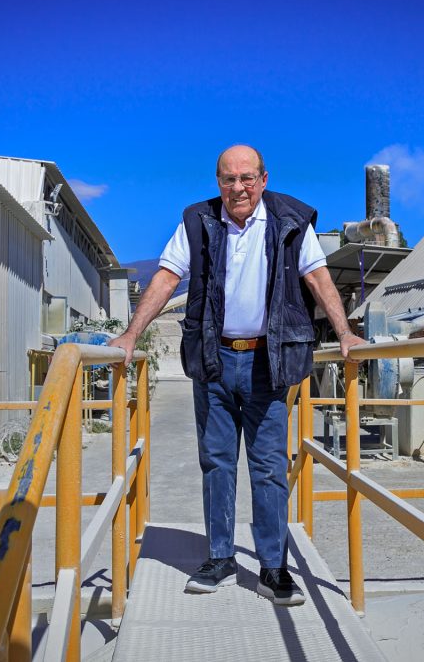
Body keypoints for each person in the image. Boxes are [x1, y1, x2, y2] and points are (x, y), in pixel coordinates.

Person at [109, 145, 365, 606]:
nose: (238, 188)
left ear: (263, 180)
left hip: (270, 362)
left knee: (268, 467)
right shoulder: (198, 221)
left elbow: (317, 277)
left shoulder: (291, 222)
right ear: (218, 182)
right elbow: (167, 277)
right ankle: (220, 558)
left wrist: (345, 333)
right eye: (229, 179)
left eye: (247, 178)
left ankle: (272, 567)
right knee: (217, 462)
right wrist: (130, 335)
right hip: (214, 359)